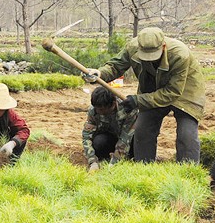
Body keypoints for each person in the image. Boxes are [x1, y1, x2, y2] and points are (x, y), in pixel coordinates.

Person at [85, 27, 205, 163]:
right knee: (142, 131)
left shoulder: (179, 54)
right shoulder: (132, 47)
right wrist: (99, 73)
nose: (149, 59)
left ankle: (188, 175)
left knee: (186, 135)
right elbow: (115, 66)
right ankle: (144, 168)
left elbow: (172, 92)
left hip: (185, 91)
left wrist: (138, 100)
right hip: (151, 88)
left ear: (163, 46)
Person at [82, 86, 138, 171]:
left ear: (112, 104)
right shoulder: (93, 111)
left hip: (128, 141)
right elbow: (86, 136)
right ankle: (107, 157)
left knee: (137, 141)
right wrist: (92, 161)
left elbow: (125, 138)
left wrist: (114, 163)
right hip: (110, 139)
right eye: (97, 108)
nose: (98, 112)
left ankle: (127, 157)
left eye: (101, 109)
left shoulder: (128, 110)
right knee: (98, 142)